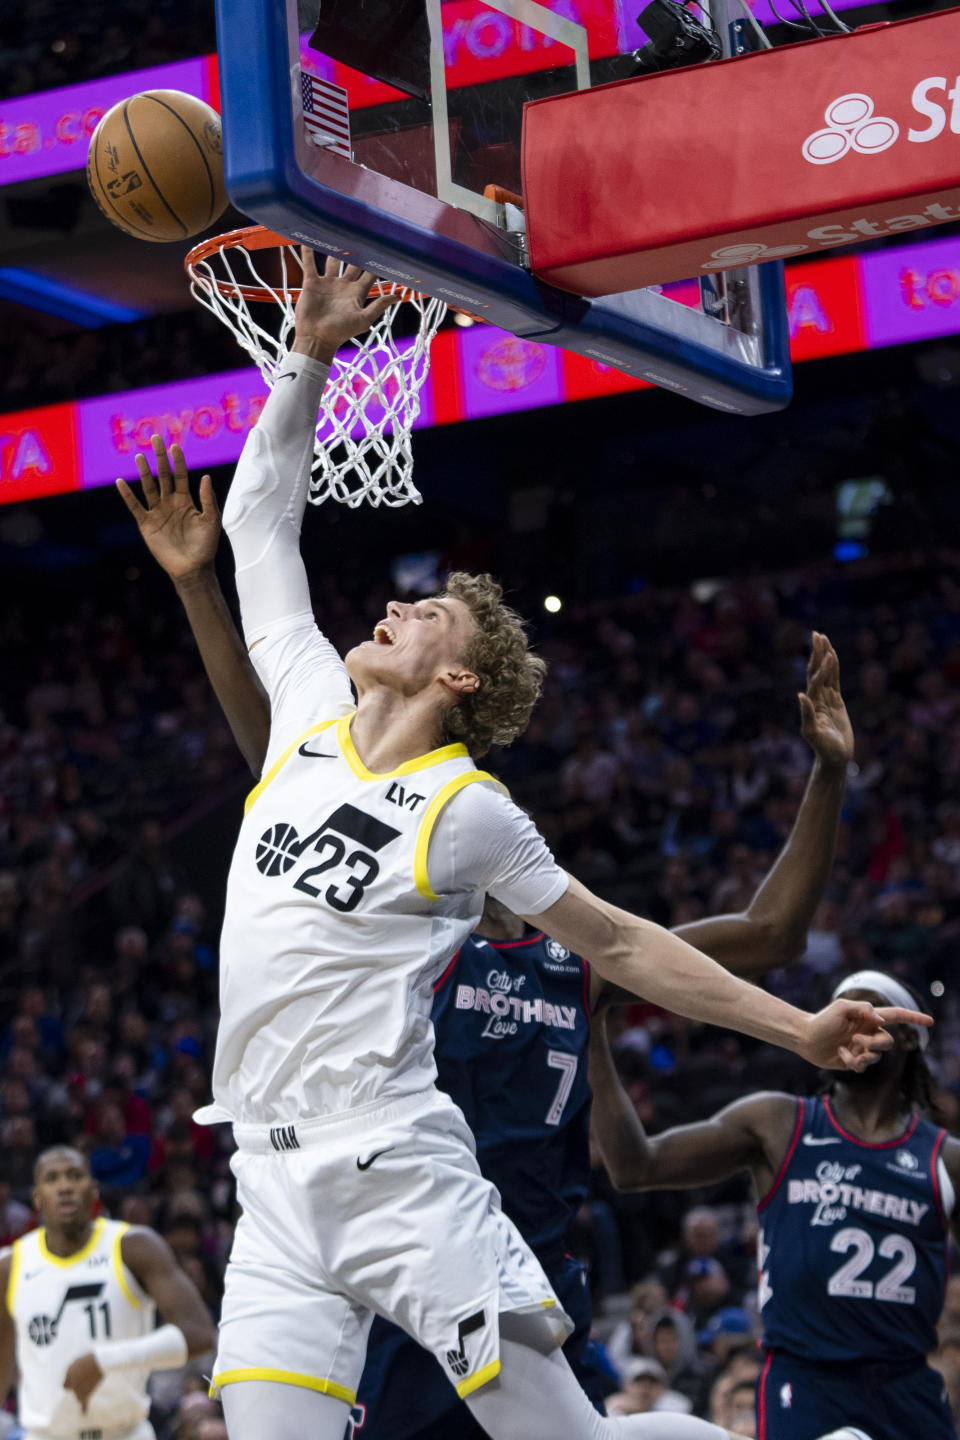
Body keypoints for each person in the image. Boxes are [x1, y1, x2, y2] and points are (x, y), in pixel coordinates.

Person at [118, 252, 926, 1440]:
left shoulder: (468, 811)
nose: (388, 606)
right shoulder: (304, 716)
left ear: (457, 676)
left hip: (396, 1170)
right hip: (268, 1182)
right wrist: (307, 357)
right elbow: (257, 521)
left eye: (423, 612)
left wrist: (799, 1028)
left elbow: (625, 945)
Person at [589, 971, 959, 1440]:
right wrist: (593, 1033)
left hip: (906, 1388)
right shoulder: (779, 1123)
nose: (848, 1024)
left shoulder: (946, 1159)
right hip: (805, 1384)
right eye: (839, 1013)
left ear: (908, 1036)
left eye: (867, 1012)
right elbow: (633, 1166)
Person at [0, 1145, 215, 1440]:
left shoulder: (133, 1247)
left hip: (127, 1432)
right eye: (52, 1178)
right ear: (36, 1197)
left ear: (94, 1189)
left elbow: (200, 1334)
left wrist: (105, 1359)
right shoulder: (10, 1266)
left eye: (75, 1176)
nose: (64, 1187)